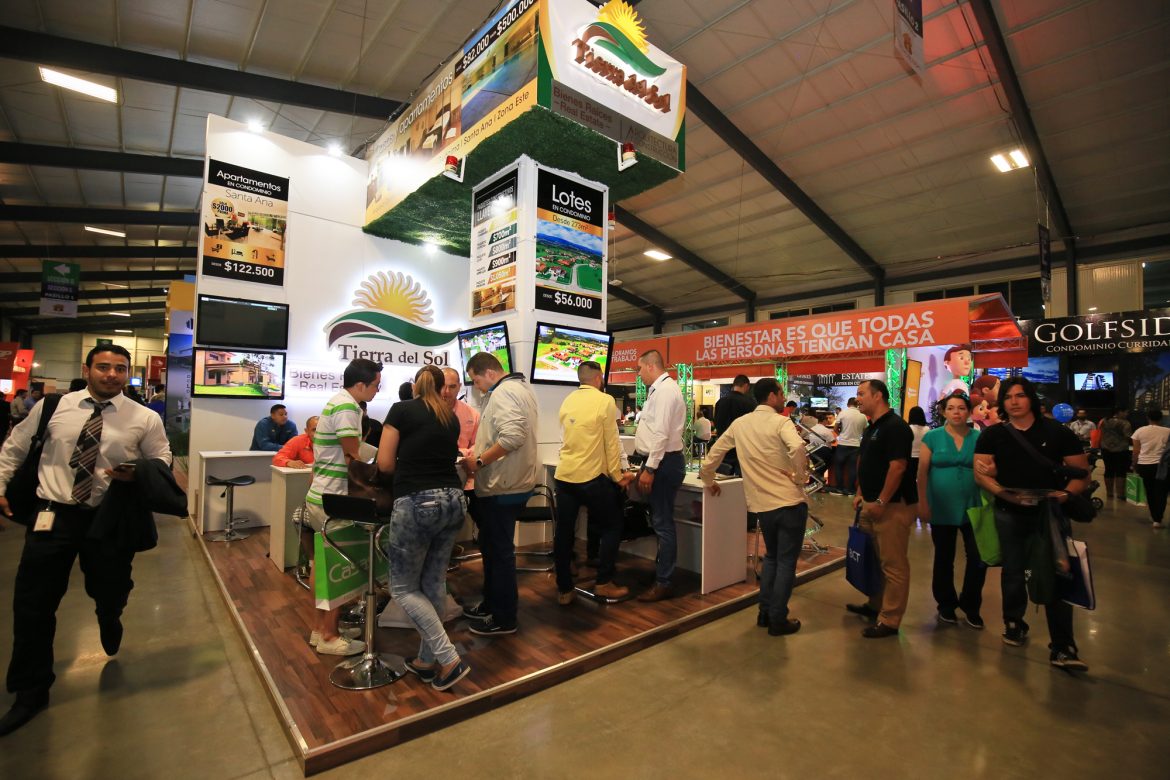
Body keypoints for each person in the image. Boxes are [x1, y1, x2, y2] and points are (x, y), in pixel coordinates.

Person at [0, 344, 171, 735]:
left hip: (108, 518)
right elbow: (15, 448)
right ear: (88, 368)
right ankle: (30, 691)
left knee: (111, 587)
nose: (111, 374)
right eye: (104, 367)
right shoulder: (52, 408)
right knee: (32, 605)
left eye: (120, 368)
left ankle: (109, 615)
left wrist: (138, 471)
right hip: (53, 515)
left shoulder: (143, 417)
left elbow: (161, 458)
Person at [973, 376, 1090, 672]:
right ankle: (1014, 623)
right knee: (1013, 570)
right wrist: (1005, 494)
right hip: (1008, 512)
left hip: (1050, 514)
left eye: (1020, 395)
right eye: (1008, 397)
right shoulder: (993, 435)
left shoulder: (1058, 432)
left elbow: (1082, 474)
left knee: (1058, 571)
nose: (1014, 402)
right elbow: (981, 474)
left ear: (1031, 399)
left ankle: (1063, 645)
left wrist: (1063, 496)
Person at [377, 365, 471, 691]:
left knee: (403, 588)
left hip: (417, 502)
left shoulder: (401, 410)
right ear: (442, 387)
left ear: (415, 385)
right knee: (433, 583)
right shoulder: (450, 417)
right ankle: (426, 661)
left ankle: (448, 658)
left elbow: (384, 463)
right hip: (454, 501)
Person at [701, 378, 808, 636]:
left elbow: (714, 453)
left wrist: (708, 479)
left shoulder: (741, 424)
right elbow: (798, 446)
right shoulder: (781, 422)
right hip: (790, 502)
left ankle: (764, 613)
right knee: (785, 562)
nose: (783, 397)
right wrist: (800, 477)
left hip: (763, 507)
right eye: (781, 393)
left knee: (771, 557)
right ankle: (778, 619)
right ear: (771, 396)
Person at [303, 359, 383, 656]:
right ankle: (329, 635)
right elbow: (353, 455)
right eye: (375, 385)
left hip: (321, 495)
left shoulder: (337, 403)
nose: (377, 391)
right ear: (360, 385)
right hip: (334, 499)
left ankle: (320, 628)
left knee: (321, 565)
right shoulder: (347, 407)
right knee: (336, 569)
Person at [461, 352, 539, 636]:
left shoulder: (504, 392)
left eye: (476, 380)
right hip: (511, 483)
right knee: (493, 547)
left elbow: (512, 437)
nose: (477, 387)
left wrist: (479, 462)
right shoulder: (521, 389)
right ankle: (492, 605)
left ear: (490, 373)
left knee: (499, 552)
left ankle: (504, 617)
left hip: (503, 485)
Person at [552, 361, 634, 606]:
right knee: (613, 525)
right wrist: (618, 476)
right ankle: (603, 582)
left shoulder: (567, 401)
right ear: (599, 378)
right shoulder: (605, 400)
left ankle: (564, 589)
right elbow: (611, 443)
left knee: (564, 533)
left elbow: (564, 439)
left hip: (564, 476)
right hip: (590, 477)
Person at [847, 379, 917, 638]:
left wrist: (881, 501)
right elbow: (865, 462)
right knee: (874, 560)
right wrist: (860, 493)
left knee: (893, 564)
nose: (858, 398)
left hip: (892, 506)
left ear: (878, 396)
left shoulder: (896, 427)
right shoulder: (872, 427)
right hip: (870, 503)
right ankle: (876, 605)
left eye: (861, 393)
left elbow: (898, 467)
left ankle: (890, 619)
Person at [918, 392, 985, 627]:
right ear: (944, 412)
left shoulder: (978, 437)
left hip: (973, 505)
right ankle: (946, 604)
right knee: (944, 558)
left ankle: (971, 604)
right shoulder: (932, 437)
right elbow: (922, 473)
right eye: (951, 408)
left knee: (978, 558)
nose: (956, 412)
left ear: (969, 412)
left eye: (961, 408)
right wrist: (922, 502)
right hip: (941, 506)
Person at [632, 349, 686, 602]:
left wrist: (650, 469)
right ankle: (661, 575)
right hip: (660, 462)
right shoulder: (660, 390)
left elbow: (662, 434)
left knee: (663, 523)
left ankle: (664, 582)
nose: (638, 373)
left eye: (639, 368)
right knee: (659, 521)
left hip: (663, 463)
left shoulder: (665, 391)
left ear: (651, 366)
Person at [1131, 408, 1170, 529]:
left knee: (1150, 491)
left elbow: (1136, 451)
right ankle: (1157, 519)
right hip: (1162, 466)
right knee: (1161, 492)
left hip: (1144, 464)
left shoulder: (1139, 431)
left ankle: (1154, 516)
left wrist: (1134, 465)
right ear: (1161, 418)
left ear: (1148, 418)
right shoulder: (1168, 431)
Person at [713, 375, 755, 476]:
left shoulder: (720, 402)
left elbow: (716, 423)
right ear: (746, 386)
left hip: (723, 450)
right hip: (742, 450)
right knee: (742, 481)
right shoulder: (750, 403)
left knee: (723, 480)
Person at [833, 397, 867, 494]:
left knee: (839, 466)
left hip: (843, 444)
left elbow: (835, 428)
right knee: (852, 468)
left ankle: (839, 488)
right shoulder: (863, 416)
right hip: (856, 445)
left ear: (848, 404)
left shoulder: (842, 413)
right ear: (857, 405)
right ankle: (850, 490)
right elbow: (865, 431)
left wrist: (841, 435)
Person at [1098, 408, 1132, 499]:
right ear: (1120, 412)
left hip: (1106, 449)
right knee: (1121, 472)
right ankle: (1120, 494)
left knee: (1109, 470)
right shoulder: (1125, 423)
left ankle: (1109, 493)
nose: (1127, 414)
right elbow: (1128, 436)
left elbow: (1099, 432)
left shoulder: (1103, 421)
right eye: (1125, 412)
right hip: (1121, 450)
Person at [907, 406, 929, 496]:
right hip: (923, 458)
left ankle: (912, 497)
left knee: (910, 481)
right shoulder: (927, 429)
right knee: (922, 479)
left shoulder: (909, 428)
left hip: (911, 457)